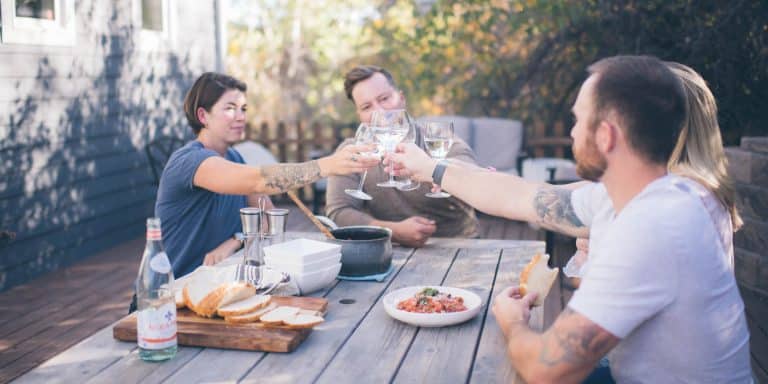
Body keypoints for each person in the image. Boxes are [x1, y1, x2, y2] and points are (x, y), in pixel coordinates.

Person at [389, 56, 751, 382]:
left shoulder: (655, 224)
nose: (571, 132)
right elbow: (521, 196)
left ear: (607, 135)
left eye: (578, 120)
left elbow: (546, 370)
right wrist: (433, 169)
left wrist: (513, 322)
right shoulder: (629, 195)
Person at [155, 72, 378, 277]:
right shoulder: (189, 161)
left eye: (243, 109)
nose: (241, 116)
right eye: (230, 108)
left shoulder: (233, 157)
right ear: (203, 116)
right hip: (172, 294)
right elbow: (259, 180)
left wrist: (234, 240)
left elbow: (267, 221)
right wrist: (327, 165)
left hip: (220, 283)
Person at [324, 65, 478, 248]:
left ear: (402, 98)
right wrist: (392, 231)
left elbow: (473, 181)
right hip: (388, 250)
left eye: (384, 99)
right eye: (367, 107)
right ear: (359, 115)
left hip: (458, 245)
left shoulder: (440, 141)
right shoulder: (353, 151)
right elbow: (339, 212)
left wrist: (437, 174)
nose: (379, 112)